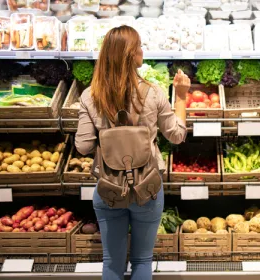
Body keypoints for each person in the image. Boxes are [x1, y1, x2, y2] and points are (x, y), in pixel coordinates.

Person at [75, 25, 190, 280]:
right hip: (147, 188)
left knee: (112, 264)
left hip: (108, 187)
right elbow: (177, 135)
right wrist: (181, 96)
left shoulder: (90, 96)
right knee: (141, 261)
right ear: (131, 55)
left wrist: (108, 142)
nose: (142, 50)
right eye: (138, 46)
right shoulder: (153, 93)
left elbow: (82, 146)